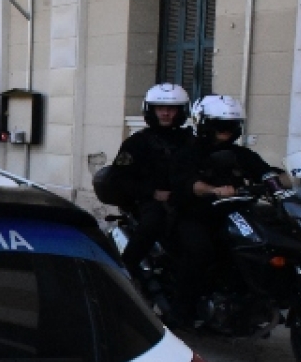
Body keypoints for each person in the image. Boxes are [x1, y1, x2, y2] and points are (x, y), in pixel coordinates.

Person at [167, 94, 290, 329]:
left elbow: (265, 172)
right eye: (219, 124)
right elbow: (189, 183)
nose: (225, 130)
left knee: (261, 246)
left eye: (231, 125)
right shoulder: (188, 153)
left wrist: (292, 179)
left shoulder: (242, 154)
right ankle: (181, 312)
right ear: (204, 123)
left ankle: (255, 300)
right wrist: (213, 190)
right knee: (200, 252)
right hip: (195, 215)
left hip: (234, 215)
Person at [107, 82, 192, 282]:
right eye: (160, 108)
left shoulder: (190, 141)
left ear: (180, 111)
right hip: (151, 201)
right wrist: (152, 192)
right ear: (150, 110)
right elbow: (118, 178)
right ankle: (124, 273)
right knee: (153, 223)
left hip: (185, 199)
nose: (165, 113)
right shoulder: (137, 143)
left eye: (171, 109)